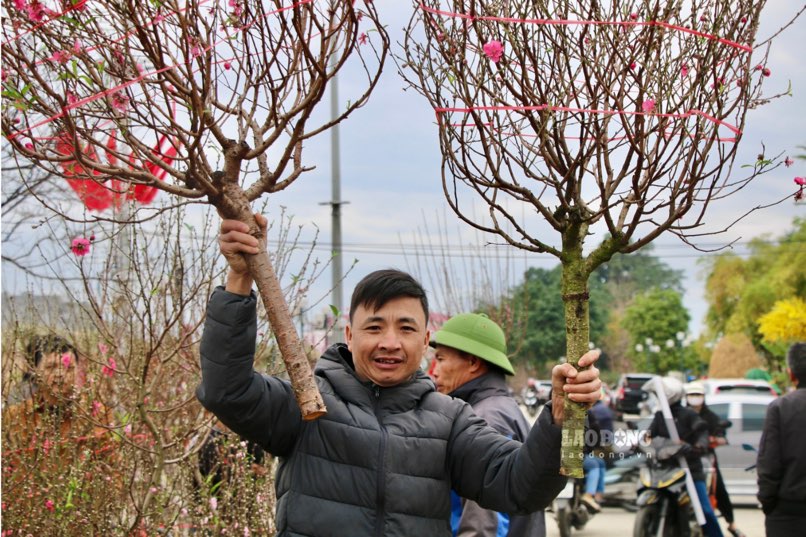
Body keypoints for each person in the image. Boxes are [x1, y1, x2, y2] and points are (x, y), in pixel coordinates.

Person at [196, 215, 604, 537]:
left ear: (425, 339)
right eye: (374, 328)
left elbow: (519, 487)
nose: (390, 342)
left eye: (406, 329)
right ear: (350, 335)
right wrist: (239, 280)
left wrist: (559, 419)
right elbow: (226, 391)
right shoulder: (307, 402)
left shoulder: (450, 421)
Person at [430, 312, 546, 536]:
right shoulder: (501, 407)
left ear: (473, 362)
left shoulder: (486, 419)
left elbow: (483, 526)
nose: (434, 370)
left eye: (441, 359)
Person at [647, 376, 723, 537]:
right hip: (665, 469)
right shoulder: (660, 416)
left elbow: (702, 431)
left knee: (705, 510)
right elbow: (649, 435)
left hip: (689, 469)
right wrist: (640, 442)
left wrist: (698, 446)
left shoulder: (688, 415)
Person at [757, 342, 806, 537]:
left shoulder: (780, 408)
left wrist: (768, 502)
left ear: (791, 373)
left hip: (788, 515)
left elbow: (769, 463)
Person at [685, 381, 746, 537]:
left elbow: (720, 434)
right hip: (683, 459)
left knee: (719, 489)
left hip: (705, 459)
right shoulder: (680, 415)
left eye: (698, 395)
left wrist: (715, 439)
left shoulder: (710, 417)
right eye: (692, 395)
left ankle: (731, 524)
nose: (695, 398)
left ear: (703, 397)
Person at [580, 390, 615, 512]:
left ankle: (597, 495)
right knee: (596, 464)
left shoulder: (555, 409)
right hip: (576, 455)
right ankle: (590, 495)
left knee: (599, 462)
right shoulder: (591, 412)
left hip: (557, 454)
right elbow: (594, 436)